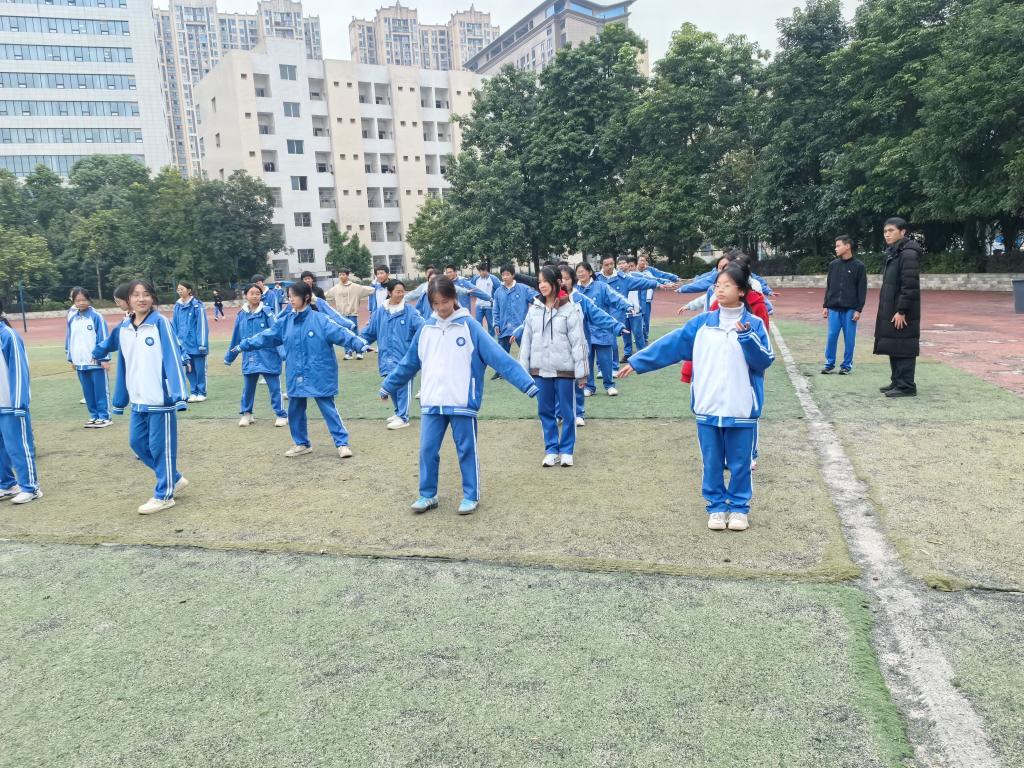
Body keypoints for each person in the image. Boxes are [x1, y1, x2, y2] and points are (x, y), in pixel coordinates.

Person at [617, 262, 774, 532]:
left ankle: (739, 508)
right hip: (707, 406)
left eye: (726, 285)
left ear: (741, 290)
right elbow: (672, 344)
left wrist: (747, 337)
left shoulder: (754, 324)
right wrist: (638, 361)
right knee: (711, 462)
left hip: (741, 408)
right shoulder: (702, 324)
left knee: (740, 464)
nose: (719, 290)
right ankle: (716, 507)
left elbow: (763, 361)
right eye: (717, 285)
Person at [380, 276, 538, 515]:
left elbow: (499, 357)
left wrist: (527, 384)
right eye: (435, 304)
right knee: (427, 450)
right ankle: (427, 494)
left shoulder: (470, 326)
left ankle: (470, 495)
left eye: (444, 302)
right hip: (432, 401)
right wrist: (388, 386)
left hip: (462, 401)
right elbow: (409, 363)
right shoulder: (426, 329)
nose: (440, 308)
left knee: (466, 450)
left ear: (453, 298)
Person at [233, 282, 370, 459]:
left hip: (319, 372)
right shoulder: (286, 321)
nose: (290, 300)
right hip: (295, 373)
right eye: (289, 296)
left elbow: (342, 333)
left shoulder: (320, 319)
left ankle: (342, 443)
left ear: (306, 297)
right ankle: (302, 443)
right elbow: (267, 336)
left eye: (294, 296)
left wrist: (360, 344)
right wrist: (244, 344)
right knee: (295, 410)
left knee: (328, 408)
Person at [92, 280, 190, 515]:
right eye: (136, 295)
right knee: (137, 443)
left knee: (160, 447)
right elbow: (109, 343)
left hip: (160, 397)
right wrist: (97, 352)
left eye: (146, 294)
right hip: (138, 398)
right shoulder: (125, 326)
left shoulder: (160, 323)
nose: (141, 299)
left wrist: (178, 394)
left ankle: (164, 495)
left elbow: (173, 356)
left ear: (152, 298)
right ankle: (174, 478)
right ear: (128, 300)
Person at [519, 267, 588, 467]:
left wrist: (582, 373)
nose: (542, 285)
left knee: (567, 412)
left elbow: (578, 343)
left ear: (556, 282)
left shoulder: (570, 308)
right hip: (540, 369)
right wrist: (522, 370)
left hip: (565, 370)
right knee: (545, 411)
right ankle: (551, 450)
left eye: (545, 281)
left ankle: (566, 450)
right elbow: (526, 341)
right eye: (539, 282)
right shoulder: (534, 309)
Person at [558, 265, 624, 426]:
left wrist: (616, 326)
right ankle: (559, 413)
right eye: (560, 279)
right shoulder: (549, 300)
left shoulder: (579, 299)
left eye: (566, 278)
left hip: (578, 346)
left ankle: (578, 413)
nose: (563, 282)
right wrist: (520, 332)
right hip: (558, 349)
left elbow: (598, 314)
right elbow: (533, 319)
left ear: (572, 280)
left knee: (578, 380)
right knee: (559, 382)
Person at [360, 279, 424, 430]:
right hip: (386, 356)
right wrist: (359, 343)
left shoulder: (410, 312)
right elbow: (370, 332)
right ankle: (398, 413)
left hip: (404, 357)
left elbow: (423, 328)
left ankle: (403, 417)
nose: (401, 294)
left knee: (403, 385)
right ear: (389, 292)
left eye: (403, 291)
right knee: (392, 384)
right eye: (398, 291)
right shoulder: (380, 312)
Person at [224, 283, 288, 428]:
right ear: (246, 295)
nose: (255, 296)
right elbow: (236, 337)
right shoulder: (241, 314)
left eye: (258, 294)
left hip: (269, 356)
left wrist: (283, 354)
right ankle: (247, 414)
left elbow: (276, 334)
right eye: (251, 293)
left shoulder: (267, 312)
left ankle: (281, 414)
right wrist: (230, 356)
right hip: (249, 357)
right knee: (248, 388)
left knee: (274, 388)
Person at [874, 217, 922, 397]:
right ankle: (897, 381)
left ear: (902, 232)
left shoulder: (908, 254)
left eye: (891, 231)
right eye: (885, 231)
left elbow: (910, 286)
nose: (887, 234)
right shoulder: (894, 252)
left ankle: (906, 386)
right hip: (892, 308)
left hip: (902, 311)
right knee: (894, 344)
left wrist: (902, 310)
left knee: (904, 346)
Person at [0, 306, 42, 505]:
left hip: (10, 404)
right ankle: (7, 484)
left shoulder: (8, 336)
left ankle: (30, 488)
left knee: (18, 447)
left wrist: (19, 403)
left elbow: (18, 369)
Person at [575, 261, 633, 397]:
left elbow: (616, 298)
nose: (581, 274)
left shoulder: (601, 286)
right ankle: (589, 386)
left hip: (602, 330)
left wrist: (628, 306)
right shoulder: (575, 290)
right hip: (584, 332)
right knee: (587, 360)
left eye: (583, 271)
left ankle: (609, 385)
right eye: (578, 272)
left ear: (590, 272)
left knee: (605, 360)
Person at [65, 287, 112, 428]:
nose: (81, 303)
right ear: (73, 301)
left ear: (89, 300)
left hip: (96, 361)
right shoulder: (72, 318)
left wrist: (104, 358)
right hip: (80, 362)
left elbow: (104, 338)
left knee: (100, 390)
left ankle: (105, 417)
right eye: (77, 300)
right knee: (87, 391)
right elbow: (69, 338)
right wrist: (71, 358)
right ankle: (94, 415)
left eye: (84, 300)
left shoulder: (96, 316)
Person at [821, 235, 868, 375]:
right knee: (831, 337)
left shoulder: (859, 266)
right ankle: (829, 364)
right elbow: (829, 286)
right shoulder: (833, 265)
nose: (836, 248)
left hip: (850, 309)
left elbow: (862, 289)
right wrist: (825, 305)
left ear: (847, 246)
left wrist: (858, 309)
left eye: (838, 245)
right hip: (833, 308)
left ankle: (846, 366)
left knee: (849, 339)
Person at [492, 265, 537, 377]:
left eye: (507, 274)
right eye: (503, 275)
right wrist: (496, 324)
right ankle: (500, 372)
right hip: (503, 327)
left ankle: (531, 371)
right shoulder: (498, 292)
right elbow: (495, 309)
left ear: (513, 275)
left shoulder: (523, 288)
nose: (505, 277)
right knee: (501, 352)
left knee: (526, 351)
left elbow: (537, 299)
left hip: (520, 327)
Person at [324, 267, 375, 359]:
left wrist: (377, 286)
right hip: (341, 316)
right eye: (340, 275)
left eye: (343, 274)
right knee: (344, 333)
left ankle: (359, 352)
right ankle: (348, 352)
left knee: (355, 333)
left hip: (352, 314)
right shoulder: (336, 288)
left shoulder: (355, 287)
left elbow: (370, 290)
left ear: (347, 276)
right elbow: (325, 295)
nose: (341, 276)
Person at [171, 280, 209, 403]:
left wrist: (202, 343)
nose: (179, 291)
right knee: (189, 369)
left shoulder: (197, 305)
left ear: (189, 290)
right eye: (178, 289)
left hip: (196, 344)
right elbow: (174, 324)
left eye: (182, 289)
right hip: (183, 344)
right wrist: (176, 341)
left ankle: (202, 392)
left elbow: (202, 325)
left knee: (199, 369)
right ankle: (193, 392)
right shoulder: (177, 306)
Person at [637, 254, 680, 339]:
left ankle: (645, 336)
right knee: (637, 319)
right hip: (636, 300)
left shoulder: (650, 270)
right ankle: (638, 336)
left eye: (644, 261)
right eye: (641, 260)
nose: (643, 262)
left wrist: (674, 278)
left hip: (647, 299)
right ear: (637, 262)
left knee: (646, 319)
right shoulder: (634, 271)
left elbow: (661, 274)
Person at [473, 263, 502, 336]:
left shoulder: (493, 278)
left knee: (491, 325)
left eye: (483, 271)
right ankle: (480, 338)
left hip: (490, 306)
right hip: (478, 305)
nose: (482, 273)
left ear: (486, 270)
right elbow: (470, 286)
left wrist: (496, 302)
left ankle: (491, 339)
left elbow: (500, 290)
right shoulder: (476, 278)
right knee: (478, 325)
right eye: (480, 271)